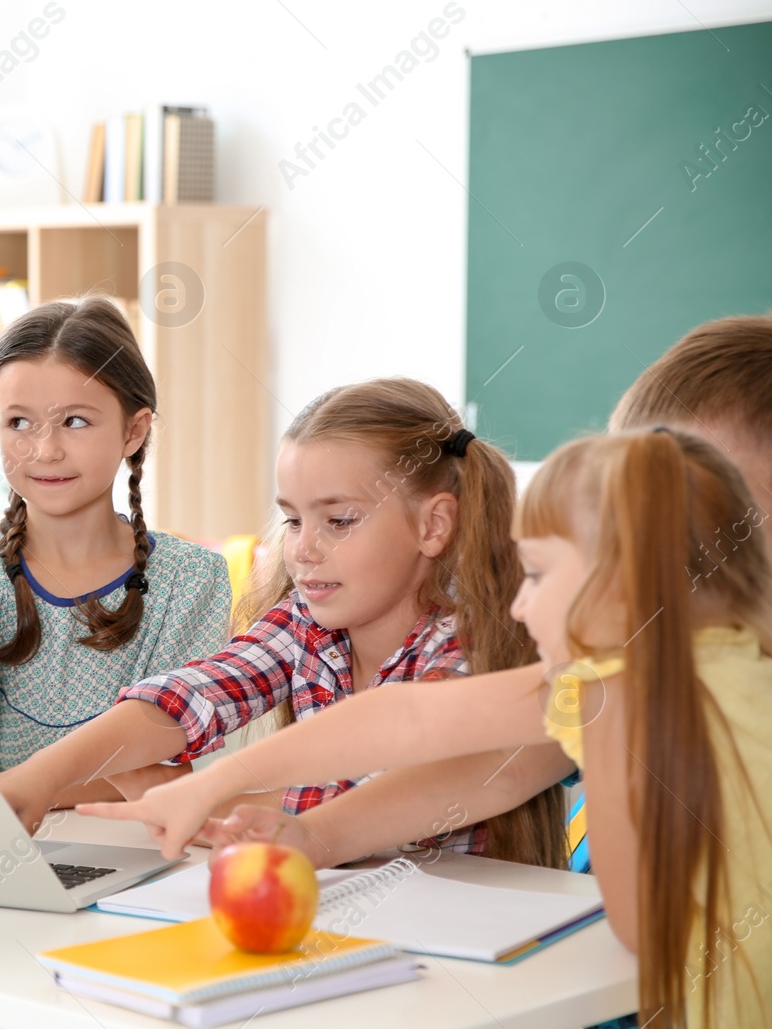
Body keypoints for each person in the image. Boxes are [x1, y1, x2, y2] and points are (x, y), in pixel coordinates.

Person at [85, 427, 772, 1027]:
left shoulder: (613, 693)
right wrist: (274, 813)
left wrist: (216, 785)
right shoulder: (735, 663)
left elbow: (637, 926)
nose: (521, 604)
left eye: (537, 574)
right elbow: (415, 725)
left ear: (622, 579)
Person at [191, 314, 772, 873]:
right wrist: (295, 828)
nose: (656, 533)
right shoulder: (620, 671)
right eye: (638, 499)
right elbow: (480, 756)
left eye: (710, 499)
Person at [0, 378, 567, 868]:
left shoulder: (462, 648)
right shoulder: (306, 625)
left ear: (433, 525)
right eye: (292, 520)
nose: (305, 550)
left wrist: (198, 797)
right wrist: (39, 777)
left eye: (339, 520)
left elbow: (380, 795)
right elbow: (194, 694)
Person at [0, 298, 232, 789]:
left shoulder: (190, 581)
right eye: (19, 423)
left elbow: (159, 768)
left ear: (134, 430)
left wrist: (17, 790)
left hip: (131, 851)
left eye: (74, 421)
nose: (45, 450)